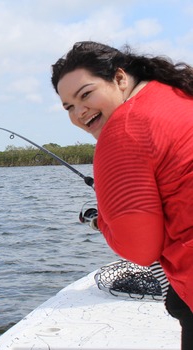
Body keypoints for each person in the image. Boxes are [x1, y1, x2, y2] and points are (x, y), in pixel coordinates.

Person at [51, 41, 193, 348]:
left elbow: (141, 249)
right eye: (68, 107)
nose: (79, 113)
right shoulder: (178, 95)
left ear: (119, 78)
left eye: (86, 94)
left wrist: (104, 221)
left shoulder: (124, 129)